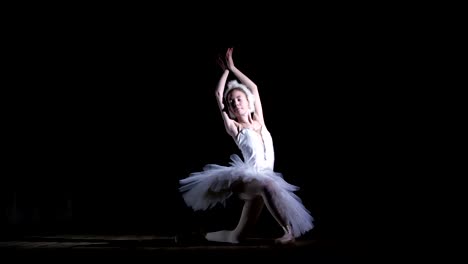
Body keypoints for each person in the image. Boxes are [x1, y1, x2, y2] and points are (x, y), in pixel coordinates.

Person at [179, 47, 314, 244]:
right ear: (230, 110)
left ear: (248, 103)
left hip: (264, 181)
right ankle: (289, 233)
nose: (235, 103)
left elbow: (254, 89)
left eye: (238, 99)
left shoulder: (260, 121)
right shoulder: (234, 127)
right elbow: (218, 94)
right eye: (231, 102)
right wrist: (225, 71)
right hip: (247, 179)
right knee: (268, 185)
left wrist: (233, 67)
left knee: (237, 237)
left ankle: (202, 236)